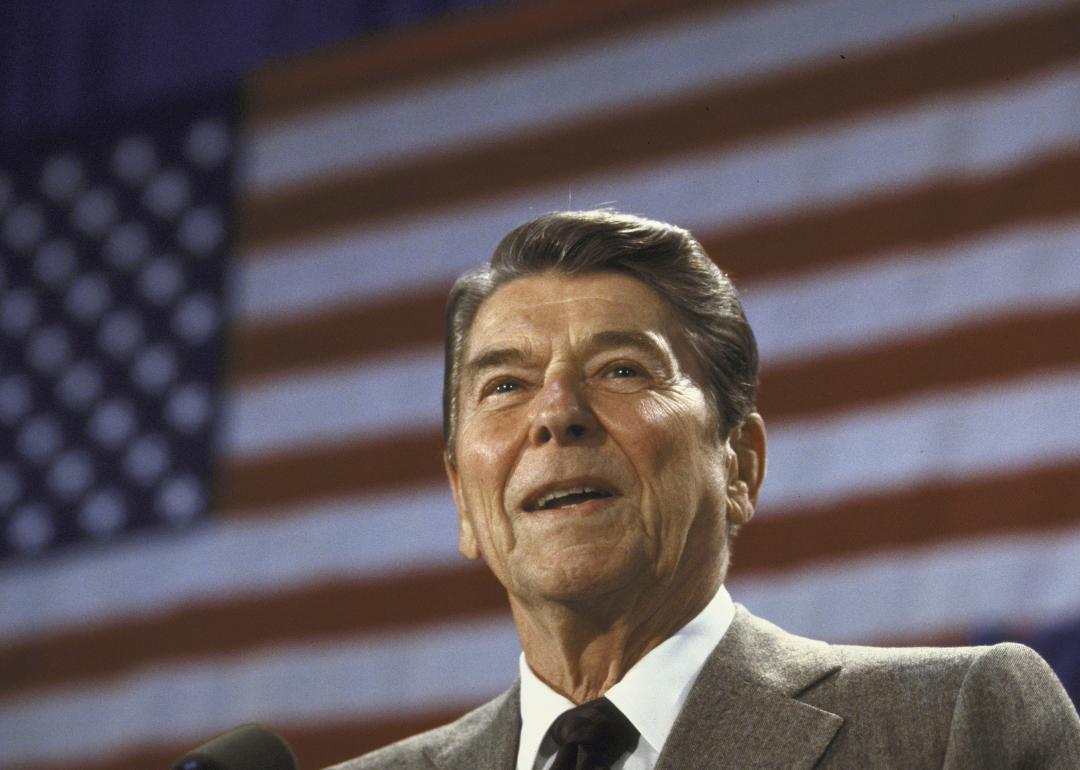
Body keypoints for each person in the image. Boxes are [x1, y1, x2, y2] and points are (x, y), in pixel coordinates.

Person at [331, 211, 1080, 769]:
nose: (557, 413)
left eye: (622, 369)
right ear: (464, 500)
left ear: (740, 466)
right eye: (505, 384)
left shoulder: (951, 727)